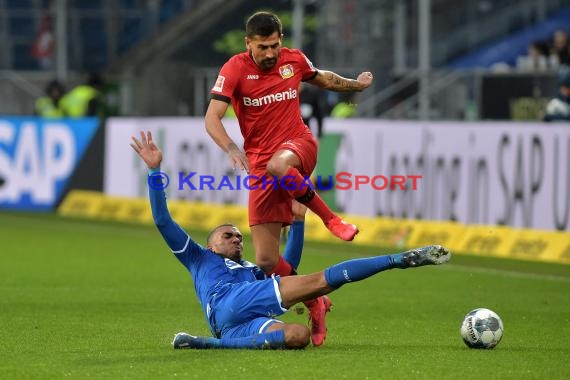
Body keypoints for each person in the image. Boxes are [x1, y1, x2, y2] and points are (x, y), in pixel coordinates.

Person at [129, 130, 451, 350]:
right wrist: (156, 171)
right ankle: (399, 260)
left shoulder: (254, 270)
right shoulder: (199, 257)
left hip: (234, 325)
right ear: (212, 244)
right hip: (229, 301)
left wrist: (297, 221)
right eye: (228, 236)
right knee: (321, 281)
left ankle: (205, 342)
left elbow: (289, 266)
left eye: (240, 237)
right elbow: (162, 220)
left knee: (298, 337)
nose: (237, 240)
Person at [204, 11, 373, 344]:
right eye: (263, 47)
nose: (270, 53)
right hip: (261, 163)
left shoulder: (293, 59)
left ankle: (331, 219)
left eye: (275, 46)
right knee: (266, 260)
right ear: (248, 43)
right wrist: (230, 148)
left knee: (279, 167)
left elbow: (323, 77)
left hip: (298, 145)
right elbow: (212, 118)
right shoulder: (235, 69)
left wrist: (357, 84)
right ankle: (316, 301)